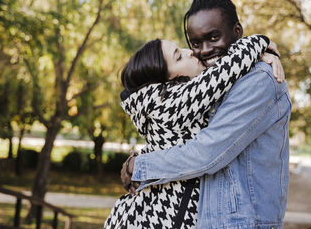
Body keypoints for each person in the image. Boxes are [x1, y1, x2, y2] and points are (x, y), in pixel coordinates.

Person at [120, 0, 291, 229]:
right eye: (195, 43)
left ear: (237, 32)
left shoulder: (259, 79)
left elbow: (208, 152)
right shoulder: (208, 85)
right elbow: (178, 141)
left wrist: (141, 165)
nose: (203, 51)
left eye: (213, 37)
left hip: (242, 222)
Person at [103, 30, 279, 227]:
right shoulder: (167, 102)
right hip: (154, 220)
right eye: (178, 57)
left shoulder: (165, 101)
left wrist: (257, 59)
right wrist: (260, 42)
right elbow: (224, 72)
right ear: (167, 80)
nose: (190, 52)